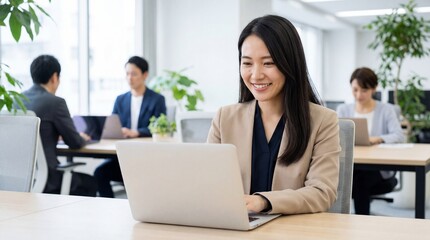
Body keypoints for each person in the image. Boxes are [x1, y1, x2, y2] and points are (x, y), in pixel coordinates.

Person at [207, 15, 340, 215]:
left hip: (292, 231)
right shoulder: (224, 118)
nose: (256, 75)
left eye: (268, 63)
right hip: (235, 228)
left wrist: (264, 201)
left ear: (290, 64)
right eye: (247, 63)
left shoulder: (322, 121)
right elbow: (207, 183)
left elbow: (322, 193)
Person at [94, 56, 166, 198]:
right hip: (122, 156)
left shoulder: (157, 99)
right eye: (127, 74)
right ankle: (109, 207)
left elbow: (160, 129)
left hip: (146, 158)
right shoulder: (120, 100)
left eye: (134, 74)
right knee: (99, 173)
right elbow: (112, 126)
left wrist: (136, 132)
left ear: (145, 75)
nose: (129, 78)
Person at [336, 67, 404, 215]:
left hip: (378, 170)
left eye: (364, 90)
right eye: (355, 90)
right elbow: (334, 135)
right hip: (350, 165)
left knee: (359, 180)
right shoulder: (343, 110)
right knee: (351, 178)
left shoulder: (386, 110)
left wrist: (378, 139)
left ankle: (358, 222)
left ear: (374, 89)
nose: (359, 95)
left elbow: (399, 135)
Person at [22, 54, 90, 194]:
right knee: (90, 184)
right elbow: (75, 142)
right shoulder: (56, 103)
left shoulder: (16, 101)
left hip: (22, 180)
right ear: (55, 77)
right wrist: (84, 137)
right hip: (49, 180)